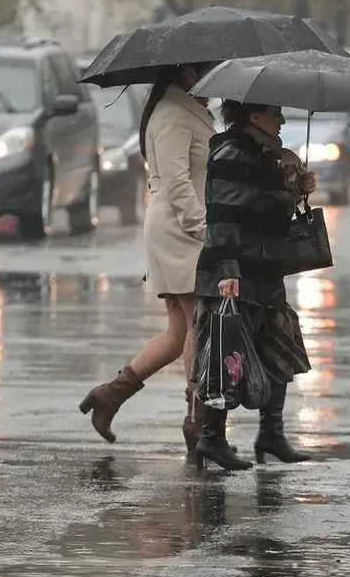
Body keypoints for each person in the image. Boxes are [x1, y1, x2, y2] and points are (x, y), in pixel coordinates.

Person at [79, 63, 219, 451]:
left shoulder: (185, 108)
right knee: (198, 324)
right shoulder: (173, 113)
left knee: (179, 331)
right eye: (209, 73)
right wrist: (203, 229)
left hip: (178, 224)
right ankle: (198, 421)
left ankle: (110, 396)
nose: (216, 83)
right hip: (180, 227)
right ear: (190, 73)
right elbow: (176, 183)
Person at [191, 100, 316, 471]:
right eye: (275, 111)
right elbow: (224, 216)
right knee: (225, 353)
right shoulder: (232, 153)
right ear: (254, 115)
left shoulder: (264, 154)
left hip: (264, 269)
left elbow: (263, 209)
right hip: (236, 271)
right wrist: (228, 270)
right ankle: (211, 438)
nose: (282, 118)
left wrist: (296, 191)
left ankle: (271, 435)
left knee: (277, 345)